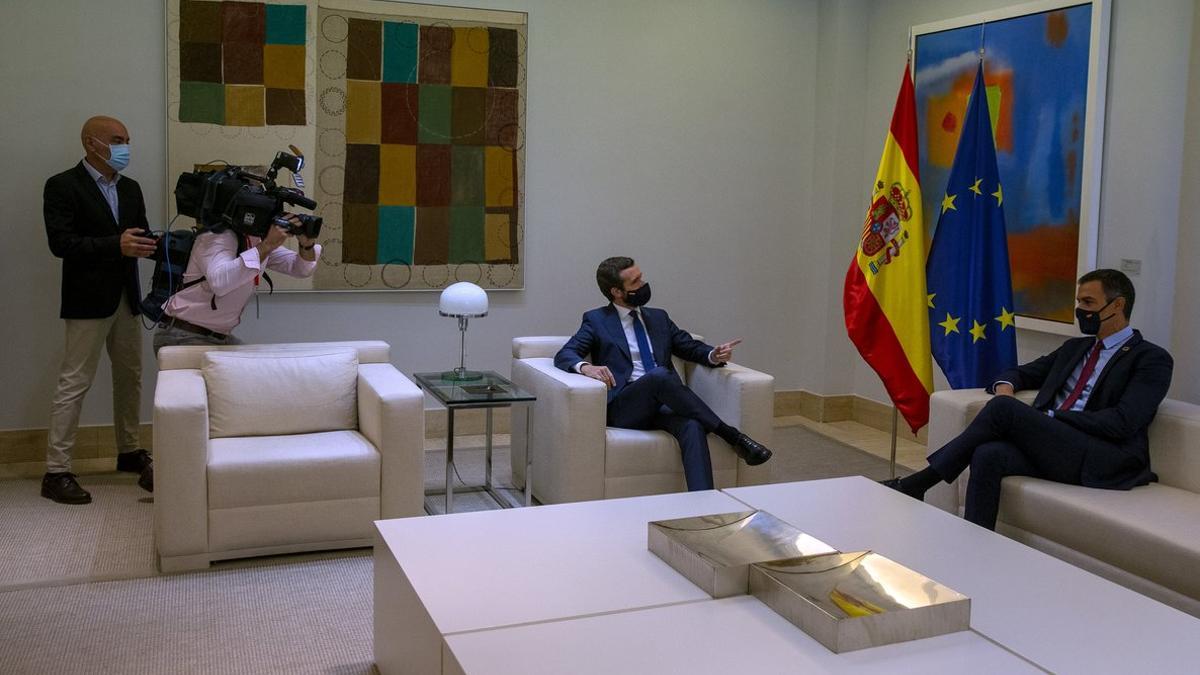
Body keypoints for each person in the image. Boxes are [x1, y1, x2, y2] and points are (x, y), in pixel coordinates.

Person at [883, 269, 1174, 530]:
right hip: (1057, 446)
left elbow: (1123, 422)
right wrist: (1006, 387)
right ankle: (975, 542)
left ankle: (919, 483)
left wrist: (1050, 418)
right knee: (989, 453)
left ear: (1118, 305)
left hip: (1102, 455)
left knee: (1004, 412)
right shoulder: (1076, 348)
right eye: (1078, 303)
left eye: (1088, 303)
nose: (1080, 311)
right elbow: (1019, 373)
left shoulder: (1151, 359)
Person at [555, 256, 773, 491]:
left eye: (641, 277)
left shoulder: (658, 317)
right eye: (635, 281)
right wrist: (586, 368)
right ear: (617, 291)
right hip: (626, 406)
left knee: (692, 424)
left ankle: (704, 505)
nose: (643, 283)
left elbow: (687, 346)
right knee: (659, 376)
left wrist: (713, 355)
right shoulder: (597, 320)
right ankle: (733, 437)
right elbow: (566, 354)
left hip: (664, 404)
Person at [43, 115, 156, 504]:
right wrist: (115, 245)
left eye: (127, 138)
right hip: (87, 299)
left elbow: (137, 237)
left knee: (131, 377)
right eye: (118, 139)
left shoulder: (132, 189)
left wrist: (156, 245)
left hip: (127, 297)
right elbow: (61, 244)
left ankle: (128, 450)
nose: (125, 146)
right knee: (74, 382)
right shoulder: (62, 186)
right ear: (92, 143)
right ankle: (56, 470)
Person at [152, 217, 320, 352]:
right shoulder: (216, 236)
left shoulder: (254, 241)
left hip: (216, 338)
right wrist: (267, 245)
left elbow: (301, 269)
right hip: (184, 336)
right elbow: (220, 283)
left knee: (261, 374)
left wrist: (307, 244)